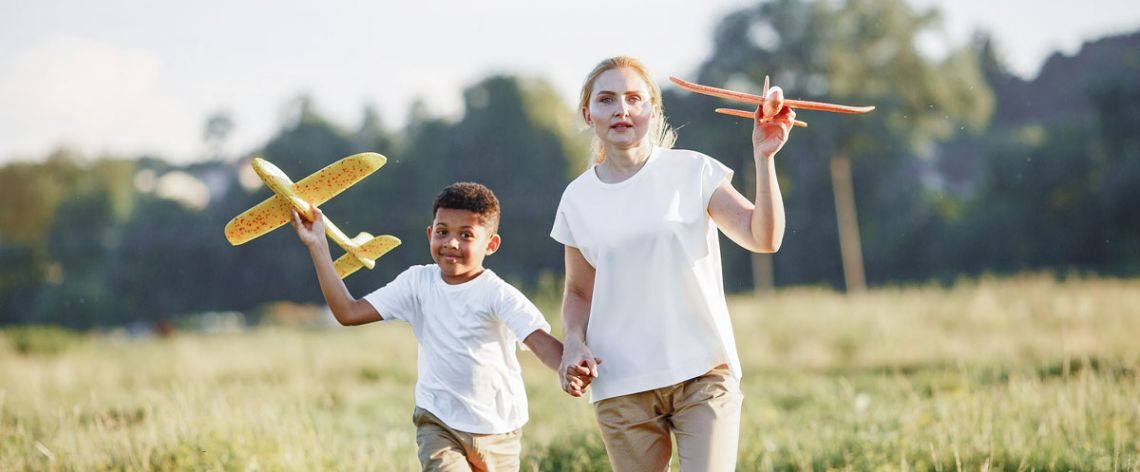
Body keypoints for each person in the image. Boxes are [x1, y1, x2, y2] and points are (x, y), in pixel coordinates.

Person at [551, 56, 796, 470]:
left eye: (634, 98)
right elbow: (577, 291)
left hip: (703, 372)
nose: (622, 109)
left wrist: (764, 156)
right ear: (587, 114)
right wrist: (573, 342)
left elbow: (764, 238)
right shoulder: (576, 199)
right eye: (607, 99)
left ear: (653, 109)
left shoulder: (693, 171)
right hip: (621, 384)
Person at [292, 182, 587, 471]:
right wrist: (318, 245)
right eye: (443, 232)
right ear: (430, 234)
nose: (451, 243)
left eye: (466, 235)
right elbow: (348, 312)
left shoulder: (498, 294)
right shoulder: (416, 283)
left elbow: (539, 340)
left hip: (500, 432)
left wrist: (568, 368)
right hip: (438, 423)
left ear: (491, 244)